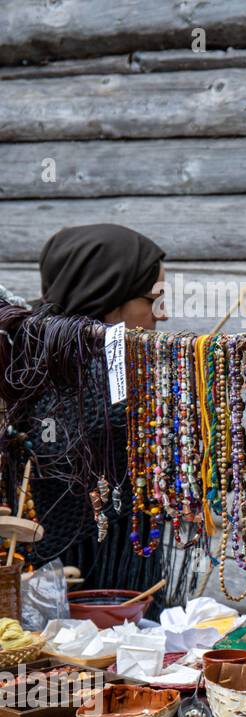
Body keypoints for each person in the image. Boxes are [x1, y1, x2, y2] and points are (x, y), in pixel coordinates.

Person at [26, 224, 168, 590]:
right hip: (64, 583)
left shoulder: (43, 363)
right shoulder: (46, 380)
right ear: (106, 299)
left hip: (122, 579)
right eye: (152, 300)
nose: (162, 315)